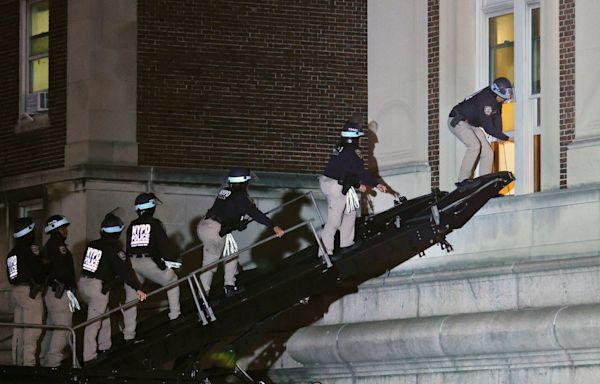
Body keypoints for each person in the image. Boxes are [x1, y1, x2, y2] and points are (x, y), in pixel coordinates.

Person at [196, 167, 285, 297]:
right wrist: (273, 226)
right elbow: (255, 214)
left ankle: (229, 285)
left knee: (232, 252)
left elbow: (227, 211)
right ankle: (203, 296)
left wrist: (236, 223)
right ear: (244, 182)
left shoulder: (225, 191)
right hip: (215, 230)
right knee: (210, 265)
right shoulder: (241, 196)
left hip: (206, 225)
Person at [78, 212, 146, 363]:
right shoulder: (115, 249)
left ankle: (105, 346)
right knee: (93, 322)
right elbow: (126, 271)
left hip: (83, 284)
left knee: (104, 315)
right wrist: (137, 287)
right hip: (98, 287)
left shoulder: (92, 244)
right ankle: (89, 357)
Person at [320, 121, 387, 256]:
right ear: (353, 137)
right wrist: (376, 184)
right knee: (334, 220)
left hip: (336, 182)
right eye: (359, 138)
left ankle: (346, 243)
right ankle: (325, 252)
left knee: (351, 210)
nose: (360, 141)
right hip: (336, 186)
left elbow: (345, 171)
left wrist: (357, 184)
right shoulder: (352, 152)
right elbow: (359, 171)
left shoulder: (340, 147)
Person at [122, 193, 180, 342]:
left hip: (131, 262)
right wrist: (166, 260)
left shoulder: (132, 225)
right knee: (173, 281)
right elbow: (163, 245)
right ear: (151, 207)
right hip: (148, 261)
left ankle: (128, 334)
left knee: (131, 298)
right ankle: (175, 315)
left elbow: (129, 246)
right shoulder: (155, 224)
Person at [448, 77, 515, 185]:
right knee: (475, 145)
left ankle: (485, 182)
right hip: (457, 121)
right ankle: (462, 181)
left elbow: (497, 116)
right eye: (502, 98)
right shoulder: (486, 100)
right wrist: (505, 138)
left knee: (488, 153)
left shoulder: (497, 99)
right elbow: (488, 127)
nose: (502, 101)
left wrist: (499, 133)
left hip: (469, 124)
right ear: (495, 92)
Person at [5, 217, 46, 366]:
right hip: (30, 293)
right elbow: (39, 271)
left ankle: (17, 362)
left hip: (16, 291)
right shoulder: (29, 251)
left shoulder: (12, 253)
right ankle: (29, 365)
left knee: (19, 331)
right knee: (32, 330)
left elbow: (11, 276)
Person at [40, 215, 77, 367]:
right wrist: (68, 285)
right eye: (62, 228)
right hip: (59, 291)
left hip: (51, 291)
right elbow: (63, 271)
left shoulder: (49, 246)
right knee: (63, 327)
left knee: (52, 328)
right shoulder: (58, 247)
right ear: (55, 230)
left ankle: (44, 359)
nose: (66, 231)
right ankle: (53, 361)